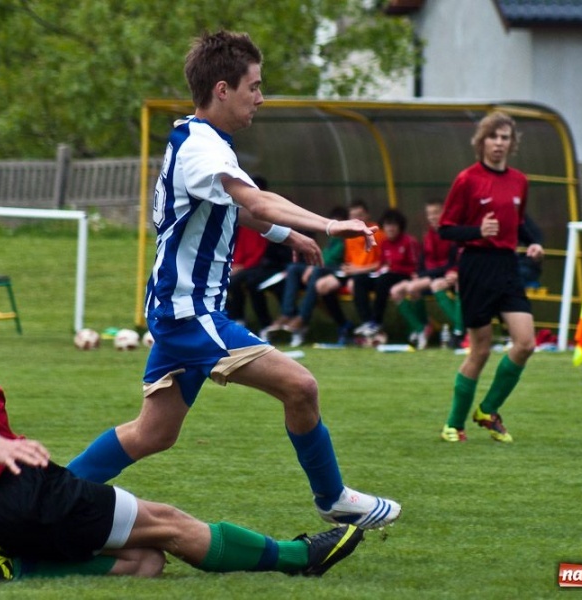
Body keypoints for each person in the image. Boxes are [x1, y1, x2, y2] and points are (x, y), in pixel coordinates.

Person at [0, 234, 365, 582]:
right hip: (23, 488)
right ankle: (301, 559)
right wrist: (0, 447)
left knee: (144, 563)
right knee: (171, 524)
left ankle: (18, 563)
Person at [67, 31, 400, 529]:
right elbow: (254, 201)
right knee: (301, 387)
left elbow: (236, 211)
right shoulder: (205, 151)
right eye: (254, 87)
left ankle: (47, 498)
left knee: (153, 434)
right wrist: (329, 225)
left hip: (175, 310)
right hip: (190, 313)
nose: (260, 98)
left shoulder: (195, 138)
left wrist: (285, 235)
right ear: (223, 89)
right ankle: (333, 498)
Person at [437, 111, 544, 443]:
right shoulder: (467, 179)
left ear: (512, 144)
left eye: (505, 137)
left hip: (508, 266)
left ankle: (488, 409)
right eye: (493, 137)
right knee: (480, 351)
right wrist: (477, 231)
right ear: (481, 141)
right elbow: (446, 229)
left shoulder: (519, 181)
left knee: (525, 343)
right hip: (477, 268)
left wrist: (534, 242)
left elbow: (519, 220)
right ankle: (453, 425)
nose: (499, 143)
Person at [262, 206, 349, 347]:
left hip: (337, 272)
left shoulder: (346, 240)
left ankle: (302, 317)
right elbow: (323, 258)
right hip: (322, 269)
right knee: (293, 268)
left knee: (316, 272)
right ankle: (287, 313)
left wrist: (314, 267)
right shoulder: (332, 240)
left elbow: (335, 262)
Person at [390, 199, 463, 349]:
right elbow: (423, 260)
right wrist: (418, 273)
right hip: (430, 275)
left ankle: (459, 328)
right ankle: (421, 328)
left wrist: (426, 274)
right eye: (429, 213)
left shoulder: (452, 233)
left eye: (436, 213)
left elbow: (450, 264)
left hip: (443, 275)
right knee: (396, 290)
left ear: (444, 212)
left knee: (418, 287)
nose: (432, 217)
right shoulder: (428, 235)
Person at [314, 199, 386, 342]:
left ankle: (370, 325)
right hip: (352, 272)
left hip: (369, 273)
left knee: (355, 284)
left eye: (361, 215)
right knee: (322, 285)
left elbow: (381, 263)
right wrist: (347, 268)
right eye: (354, 216)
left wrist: (357, 269)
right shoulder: (349, 236)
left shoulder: (378, 233)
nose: (358, 219)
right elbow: (349, 260)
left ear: (368, 215)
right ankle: (344, 325)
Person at [226, 175, 291, 332]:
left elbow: (261, 249)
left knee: (244, 282)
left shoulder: (267, 216)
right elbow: (239, 246)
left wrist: (243, 267)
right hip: (247, 266)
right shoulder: (240, 215)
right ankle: (234, 319)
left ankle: (254, 322)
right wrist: (234, 265)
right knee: (226, 280)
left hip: (262, 266)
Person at [352, 208, 420, 339]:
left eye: (393, 225)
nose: (390, 228)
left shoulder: (409, 241)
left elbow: (415, 267)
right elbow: (382, 264)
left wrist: (392, 268)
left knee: (383, 280)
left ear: (400, 226)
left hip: (402, 276)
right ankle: (367, 321)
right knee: (359, 280)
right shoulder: (384, 243)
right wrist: (381, 270)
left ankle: (377, 321)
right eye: (387, 225)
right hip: (385, 276)